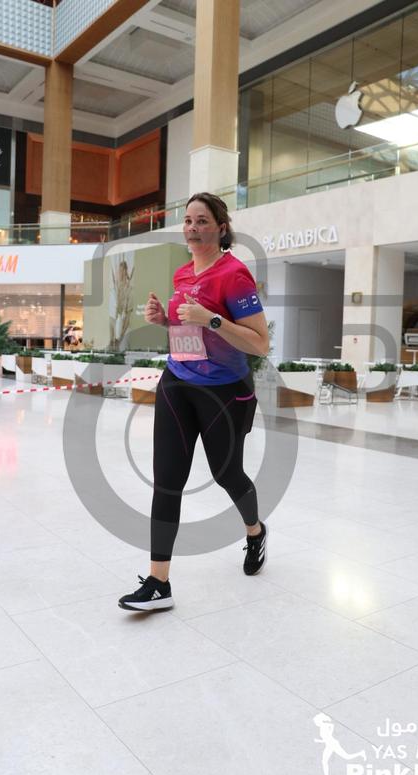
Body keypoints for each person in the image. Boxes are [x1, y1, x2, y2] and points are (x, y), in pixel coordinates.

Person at [118, 192, 269, 612]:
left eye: (202, 221)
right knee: (167, 480)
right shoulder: (182, 273)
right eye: (188, 220)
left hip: (224, 391)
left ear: (221, 228)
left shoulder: (235, 276)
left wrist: (213, 320)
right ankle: (158, 581)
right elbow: (190, 332)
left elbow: (260, 343)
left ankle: (255, 531)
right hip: (177, 382)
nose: (192, 228)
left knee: (227, 474)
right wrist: (165, 320)